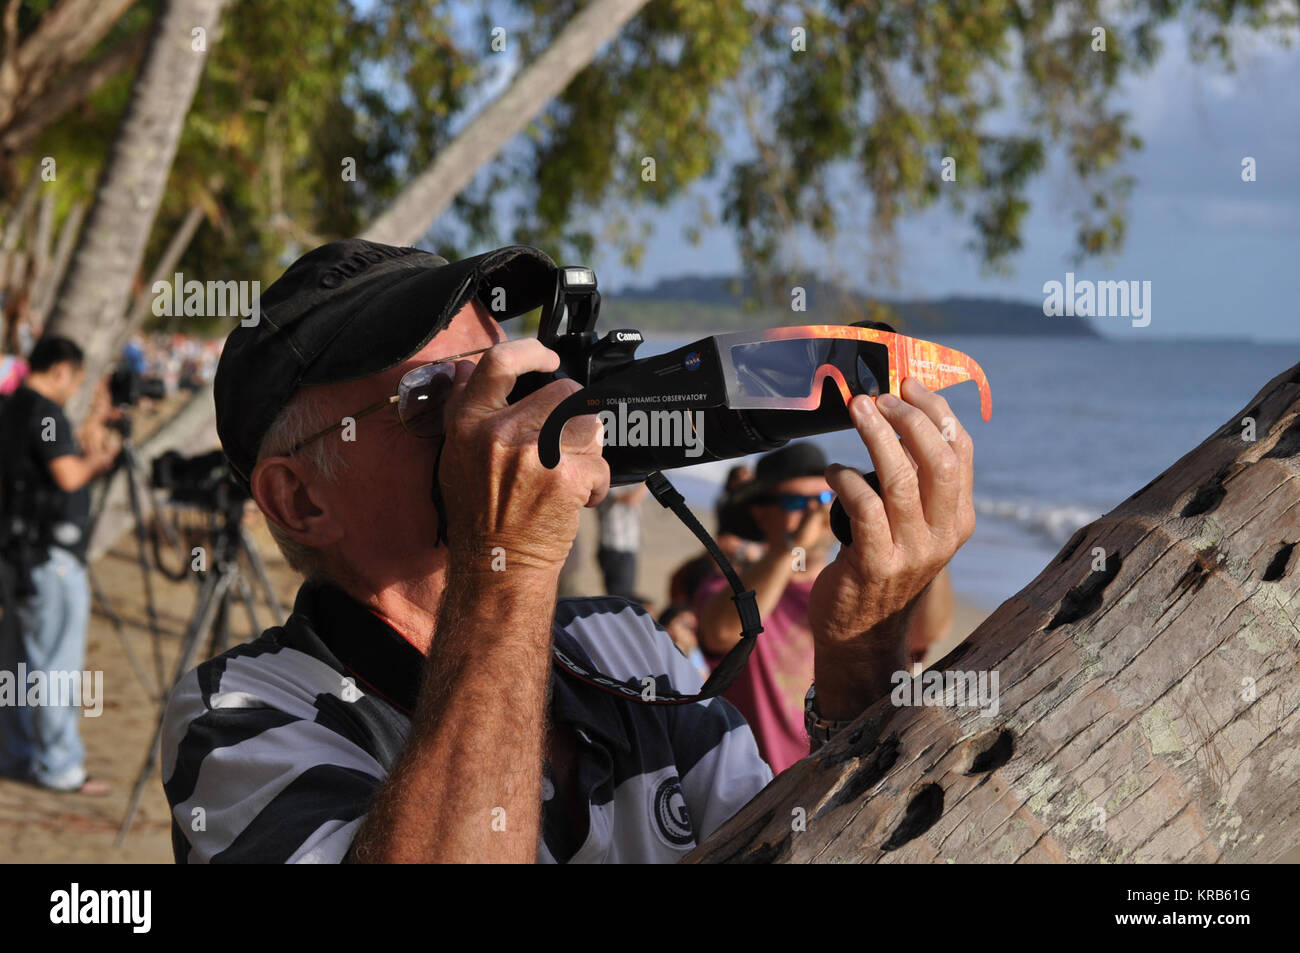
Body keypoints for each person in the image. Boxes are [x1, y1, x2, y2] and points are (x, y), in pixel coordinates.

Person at [159, 239, 976, 863]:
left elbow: (786, 847)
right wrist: (507, 570)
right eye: (432, 395)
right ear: (300, 499)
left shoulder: (625, 643)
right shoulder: (236, 717)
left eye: (500, 372)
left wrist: (860, 654)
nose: (500, 412)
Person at [695, 442, 955, 773]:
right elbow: (721, 631)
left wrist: (923, 545)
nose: (814, 513)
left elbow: (928, 632)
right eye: (795, 502)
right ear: (761, 513)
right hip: (755, 785)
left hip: (844, 770)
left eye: (822, 499)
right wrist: (792, 550)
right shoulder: (730, 589)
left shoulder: (862, 588)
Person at [0, 336, 118, 794]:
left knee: (16, 667)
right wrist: (100, 461)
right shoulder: (44, 412)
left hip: (15, 554)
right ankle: (61, 766)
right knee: (56, 669)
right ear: (61, 371)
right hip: (50, 559)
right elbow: (67, 474)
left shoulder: (10, 407)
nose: (74, 389)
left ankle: (14, 753)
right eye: (76, 380)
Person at [595, 482, 647, 599]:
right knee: (621, 597)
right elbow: (631, 499)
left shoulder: (627, 482)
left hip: (626, 547)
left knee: (624, 594)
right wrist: (649, 480)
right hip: (615, 547)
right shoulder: (610, 483)